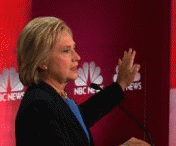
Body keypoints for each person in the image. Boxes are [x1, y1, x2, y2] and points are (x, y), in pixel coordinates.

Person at [15, 17, 150, 146]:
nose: (77, 57)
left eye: (74, 49)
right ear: (42, 61)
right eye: (66, 51)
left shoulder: (54, 97)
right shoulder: (38, 105)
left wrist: (120, 85)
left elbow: (79, 118)